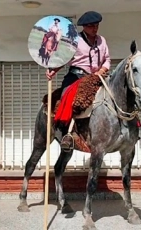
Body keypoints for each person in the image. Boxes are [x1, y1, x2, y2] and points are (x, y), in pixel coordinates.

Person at [45, 11, 110, 151]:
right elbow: (63, 58)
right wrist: (53, 70)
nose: (95, 28)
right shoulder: (75, 41)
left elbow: (107, 60)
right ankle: (68, 133)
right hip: (76, 77)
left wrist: (102, 71)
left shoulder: (102, 40)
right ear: (84, 27)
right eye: (91, 26)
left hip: (97, 77)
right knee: (70, 99)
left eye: (96, 25)